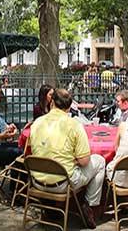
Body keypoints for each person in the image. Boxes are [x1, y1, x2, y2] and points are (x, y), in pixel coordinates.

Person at [29, 88, 106, 227]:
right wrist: (73, 160)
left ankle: (50, 207)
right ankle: (90, 206)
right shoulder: (75, 125)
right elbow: (84, 161)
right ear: (70, 106)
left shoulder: (37, 123)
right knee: (100, 161)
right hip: (63, 183)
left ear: (51, 102)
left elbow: (36, 150)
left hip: (36, 180)